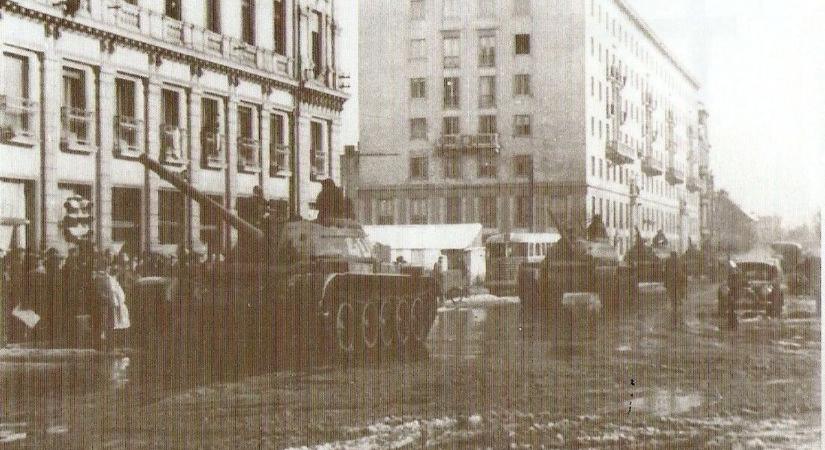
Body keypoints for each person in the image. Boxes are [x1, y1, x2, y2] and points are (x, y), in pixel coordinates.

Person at [665, 251, 687, 330]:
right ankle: (678, 301)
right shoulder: (678, 260)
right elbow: (680, 271)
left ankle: (674, 302)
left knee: (672, 292)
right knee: (678, 291)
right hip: (677, 279)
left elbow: (666, 271)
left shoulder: (668, 261)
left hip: (670, 280)